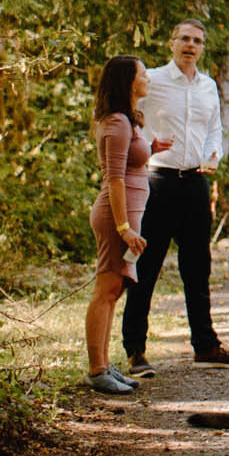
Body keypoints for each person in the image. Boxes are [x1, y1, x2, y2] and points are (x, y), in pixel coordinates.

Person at [121, 19, 229, 376]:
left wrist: (213, 155)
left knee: (197, 268)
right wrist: (136, 153)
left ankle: (206, 346)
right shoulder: (153, 81)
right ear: (171, 42)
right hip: (156, 182)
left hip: (195, 184)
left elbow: (213, 129)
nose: (190, 45)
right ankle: (135, 350)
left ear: (202, 47)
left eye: (197, 41)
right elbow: (126, 115)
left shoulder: (208, 86)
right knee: (145, 268)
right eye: (184, 39)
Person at [85, 56, 169, 394]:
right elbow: (114, 179)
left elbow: (130, 162)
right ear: (127, 81)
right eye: (143, 73)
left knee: (115, 290)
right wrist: (123, 228)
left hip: (127, 217)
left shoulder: (127, 121)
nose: (148, 77)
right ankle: (96, 370)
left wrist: (151, 147)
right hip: (115, 217)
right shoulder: (117, 122)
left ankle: (104, 364)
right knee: (105, 291)